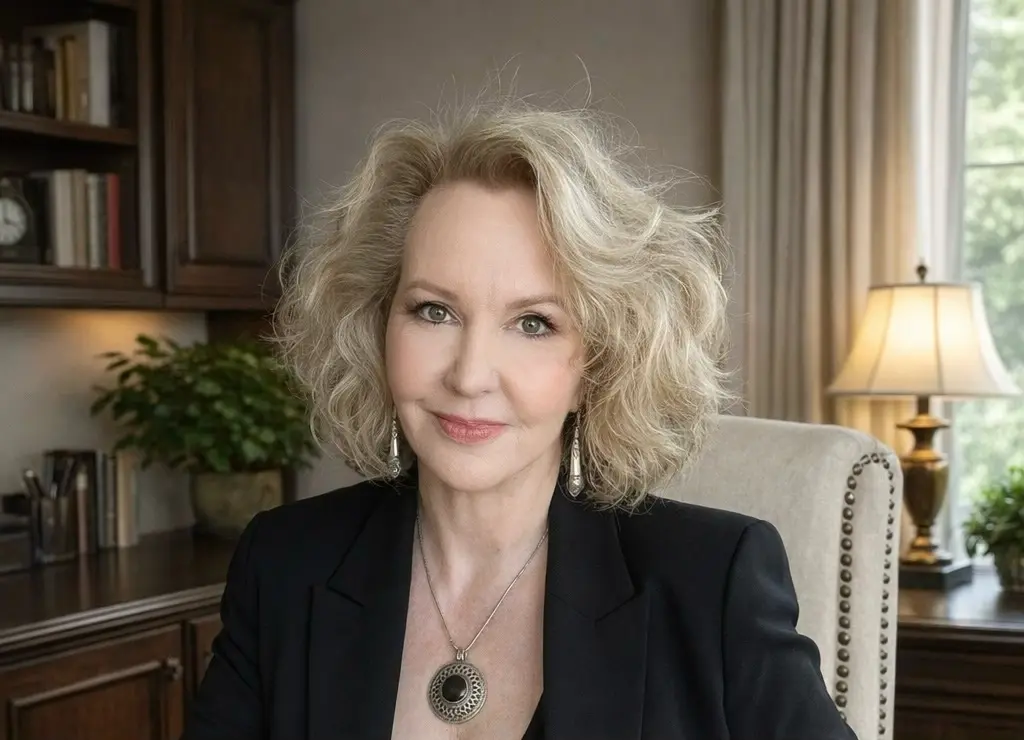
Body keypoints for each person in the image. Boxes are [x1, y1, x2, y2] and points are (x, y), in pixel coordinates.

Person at [181, 99, 856, 740]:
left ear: (597, 363)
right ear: (376, 328)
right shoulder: (284, 564)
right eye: (433, 311)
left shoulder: (714, 582)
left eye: (533, 323)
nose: (470, 375)